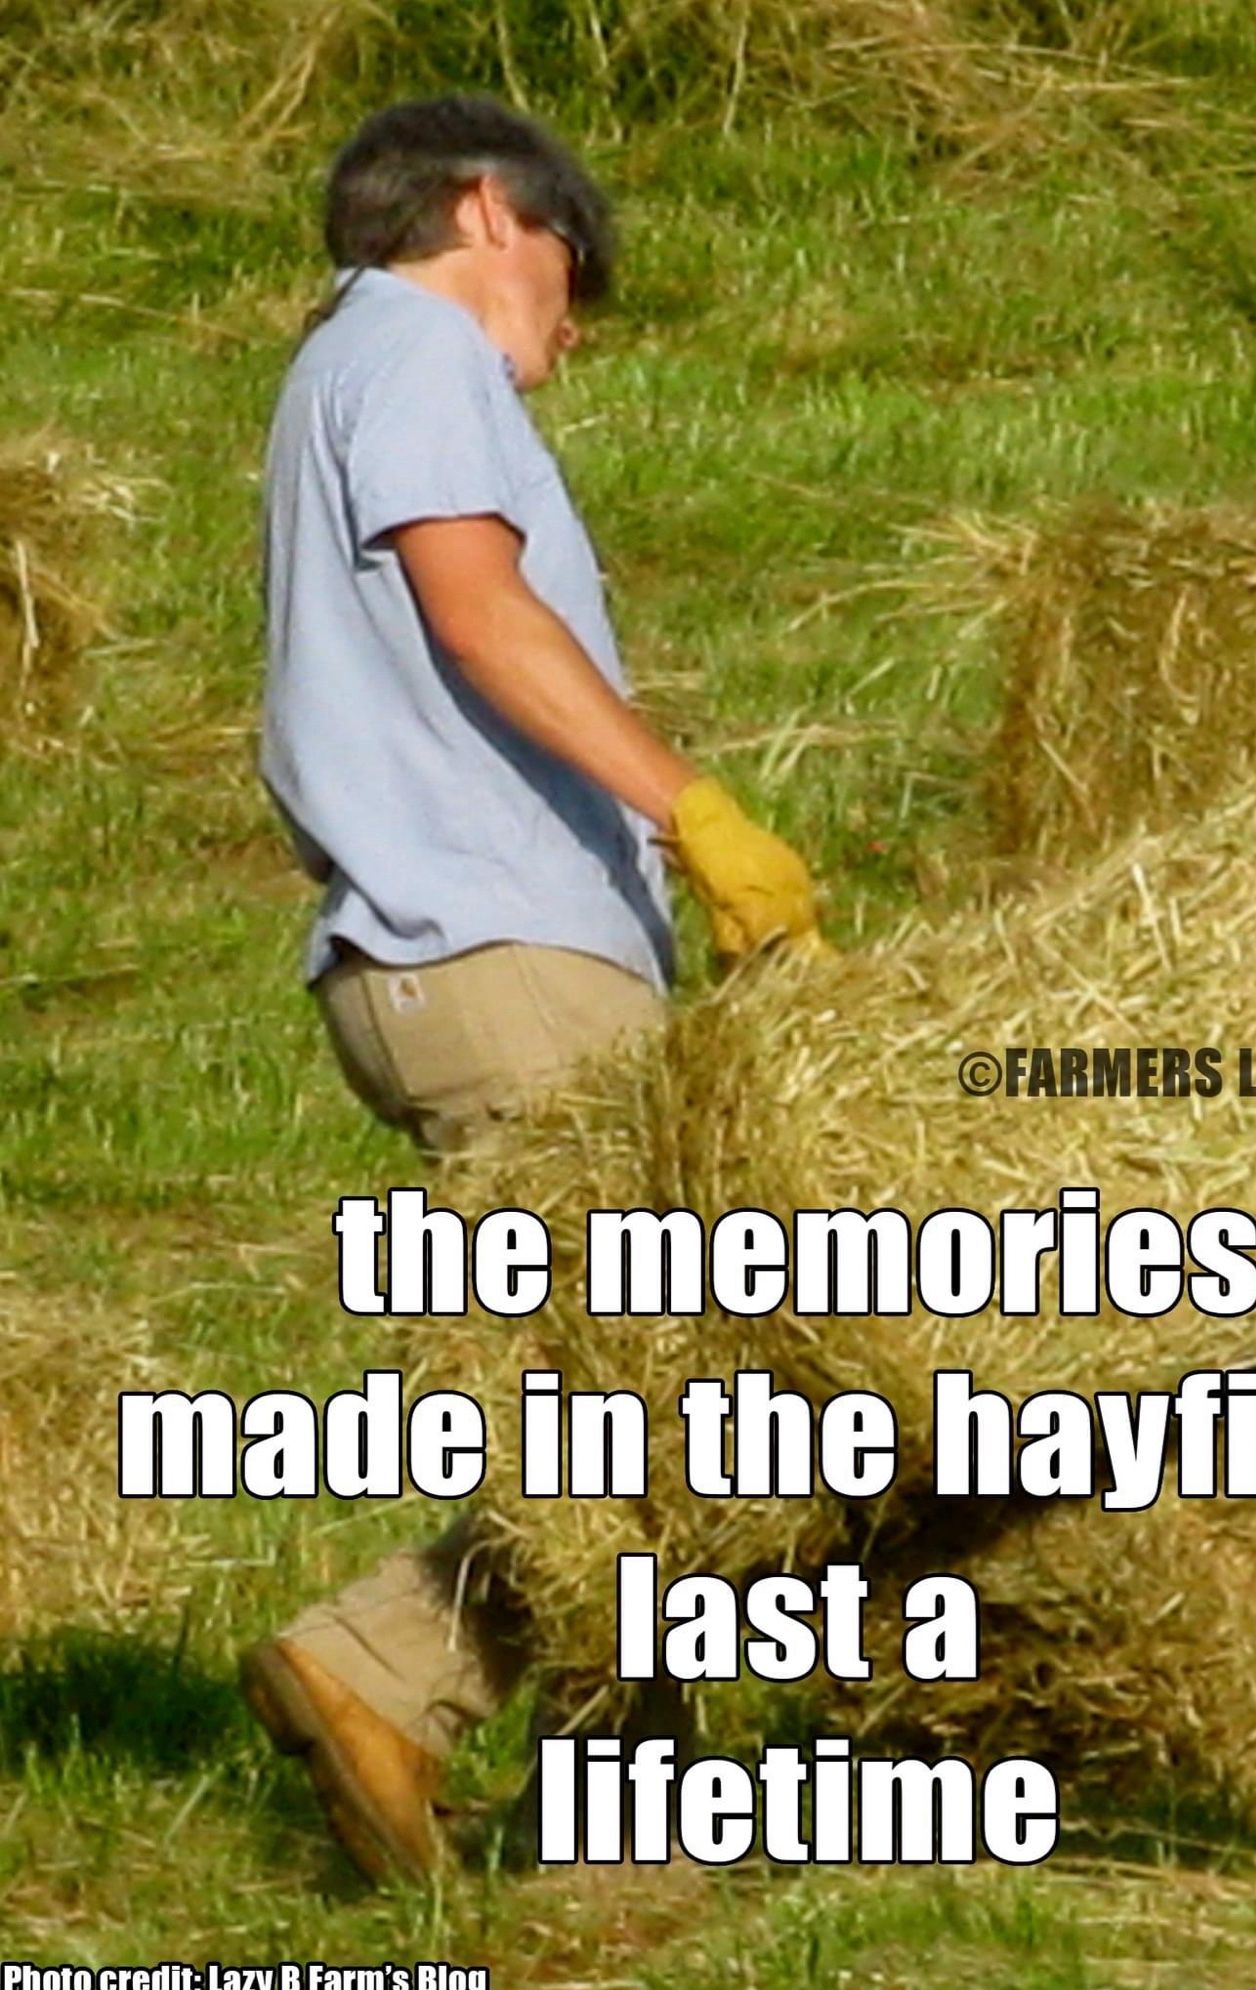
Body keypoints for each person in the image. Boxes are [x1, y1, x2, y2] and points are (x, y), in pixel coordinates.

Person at [242, 94, 824, 1884]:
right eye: (575, 281)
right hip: (501, 961)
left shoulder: (347, 376)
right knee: (679, 1413)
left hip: (448, 958)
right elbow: (481, 611)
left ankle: (621, 1842)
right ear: (491, 211)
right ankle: (383, 1666)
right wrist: (697, 813)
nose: (568, 342)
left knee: (641, 1392)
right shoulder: (415, 349)